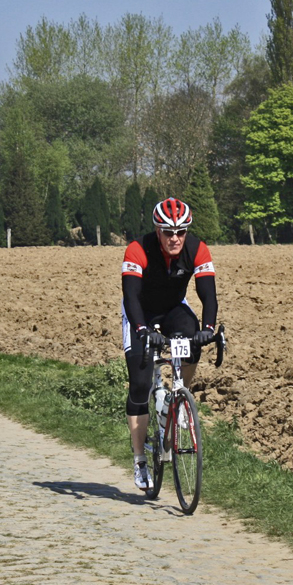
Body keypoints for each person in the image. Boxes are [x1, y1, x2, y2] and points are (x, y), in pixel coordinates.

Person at [120, 198, 219, 491]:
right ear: (157, 229)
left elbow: (208, 295)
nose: (174, 238)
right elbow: (130, 297)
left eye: (180, 231)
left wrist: (209, 328)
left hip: (175, 308)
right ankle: (140, 460)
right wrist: (142, 330)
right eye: (167, 232)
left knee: (194, 338)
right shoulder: (137, 249)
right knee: (139, 384)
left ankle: (178, 401)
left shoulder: (197, 248)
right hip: (140, 312)